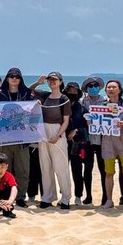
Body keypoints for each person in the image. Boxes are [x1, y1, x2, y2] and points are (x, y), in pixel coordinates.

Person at [0, 67, 35, 208]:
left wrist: (37, 105)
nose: (14, 78)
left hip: (23, 139)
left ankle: (21, 197)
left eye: (17, 76)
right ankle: (5, 196)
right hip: (5, 139)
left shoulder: (27, 94)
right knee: (4, 169)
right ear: (7, 78)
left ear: (20, 79)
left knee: (23, 169)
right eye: (11, 76)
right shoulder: (0, 96)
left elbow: (33, 113)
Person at [30, 71, 72, 210]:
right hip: (43, 132)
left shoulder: (64, 99)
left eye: (55, 79)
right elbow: (28, 90)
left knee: (61, 167)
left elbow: (66, 121)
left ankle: (65, 198)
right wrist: (38, 82)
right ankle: (48, 197)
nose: (52, 82)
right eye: (50, 80)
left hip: (57, 131)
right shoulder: (45, 95)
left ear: (60, 82)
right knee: (45, 166)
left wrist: (58, 135)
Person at [97, 79, 123, 210]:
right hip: (108, 143)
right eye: (109, 87)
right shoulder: (102, 105)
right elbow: (97, 122)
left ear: (119, 90)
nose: (111, 89)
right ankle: (109, 200)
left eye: (114, 87)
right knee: (108, 173)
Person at [81, 76, 108, 205]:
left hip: (103, 140)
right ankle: (89, 195)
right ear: (86, 89)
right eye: (90, 86)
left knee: (104, 170)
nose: (93, 88)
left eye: (95, 86)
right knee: (88, 168)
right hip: (88, 140)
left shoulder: (106, 101)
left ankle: (105, 196)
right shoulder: (82, 102)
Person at [65, 81, 92, 206]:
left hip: (76, 144)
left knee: (77, 171)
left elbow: (87, 128)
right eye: (69, 91)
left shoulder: (82, 108)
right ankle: (64, 195)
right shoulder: (61, 106)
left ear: (78, 93)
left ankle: (78, 196)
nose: (71, 93)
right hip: (61, 143)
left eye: (74, 91)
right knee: (63, 171)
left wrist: (76, 131)